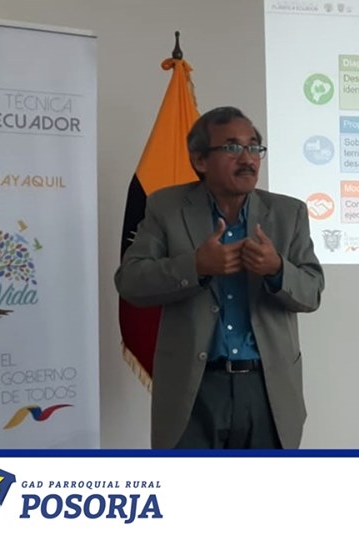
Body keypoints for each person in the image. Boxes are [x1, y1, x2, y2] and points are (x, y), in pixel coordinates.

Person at [115, 106, 324, 449]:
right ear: (200, 160)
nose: (248, 158)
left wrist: (277, 269)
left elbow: (312, 291)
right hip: (193, 390)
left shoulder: (289, 213)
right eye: (232, 147)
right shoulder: (166, 207)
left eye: (254, 147)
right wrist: (195, 266)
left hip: (267, 389)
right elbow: (130, 281)